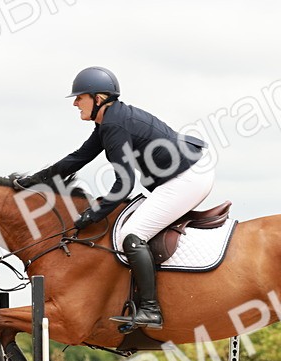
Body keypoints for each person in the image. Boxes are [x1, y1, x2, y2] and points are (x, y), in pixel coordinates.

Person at [14, 66, 215, 330]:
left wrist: (92, 215)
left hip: (187, 178)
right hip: (184, 173)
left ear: (99, 99)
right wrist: (34, 181)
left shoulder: (114, 124)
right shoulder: (109, 121)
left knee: (131, 235)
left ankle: (150, 310)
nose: (75, 103)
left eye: (80, 97)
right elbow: (78, 158)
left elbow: (124, 185)